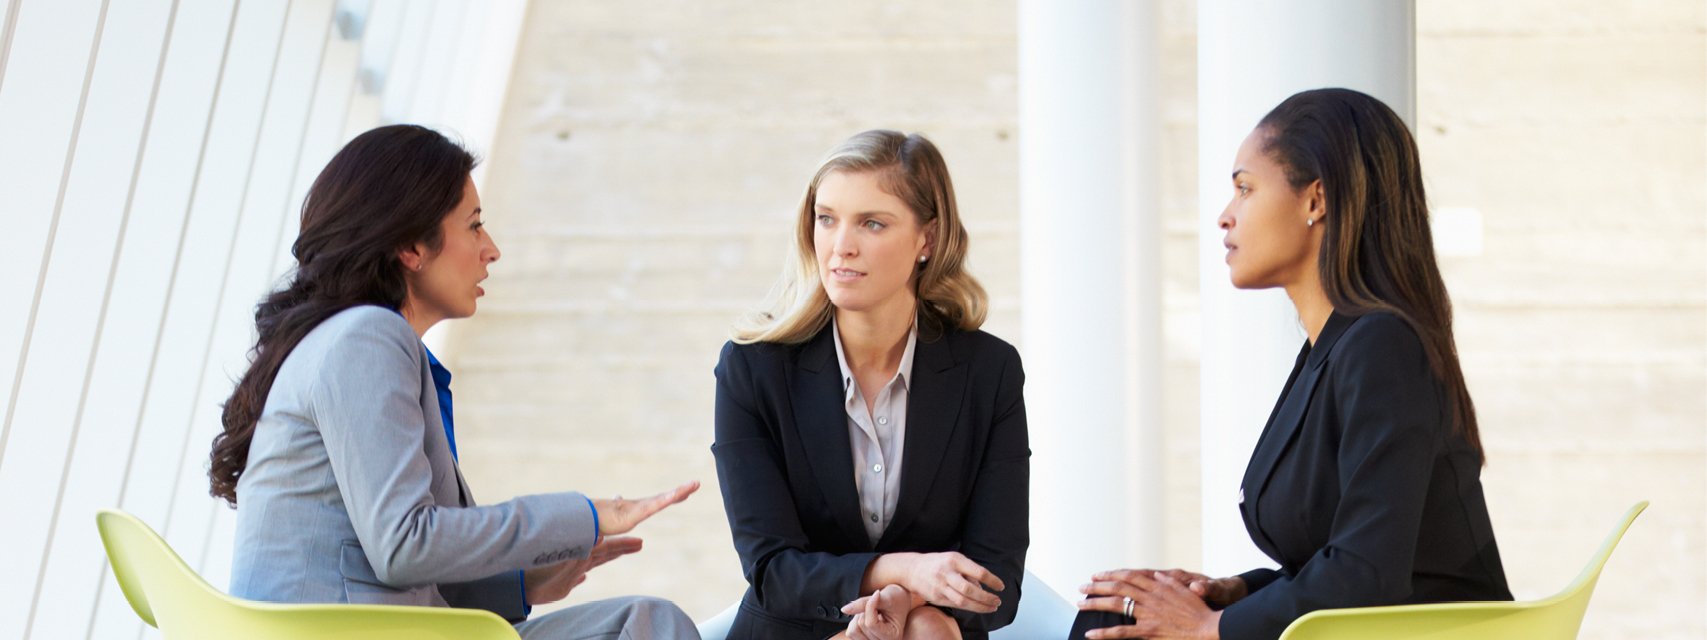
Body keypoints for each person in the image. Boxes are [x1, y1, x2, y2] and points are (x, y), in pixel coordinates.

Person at [209, 124, 702, 639]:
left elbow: (402, 558)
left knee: (642, 622)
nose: (491, 249)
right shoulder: (365, 338)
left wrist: (525, 583)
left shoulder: (351, 344)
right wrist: (585, 516)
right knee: (651, 625)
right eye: (473, 226)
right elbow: (404, 544)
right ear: (410, 247)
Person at [1072, 88, 1513, 640]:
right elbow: (1334, 559)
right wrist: (1233, 593)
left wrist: (1214, 627)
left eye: (1244, 188)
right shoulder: (1334, 348)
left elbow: (1368, 575)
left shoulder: (1382, 347)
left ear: (1315, 200)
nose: (1225, 217)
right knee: (1112, 612)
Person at [711, 130, 1030, 640]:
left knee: (927, 629)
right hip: (793, 631)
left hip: (932, 632)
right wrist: (901, 573)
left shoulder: (989, 372)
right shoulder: (752, 369)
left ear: (927, 239)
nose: (841, 247)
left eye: (872, 223)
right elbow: (773, 570)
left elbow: (998, 582)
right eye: (827, 219)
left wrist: (907, 606)